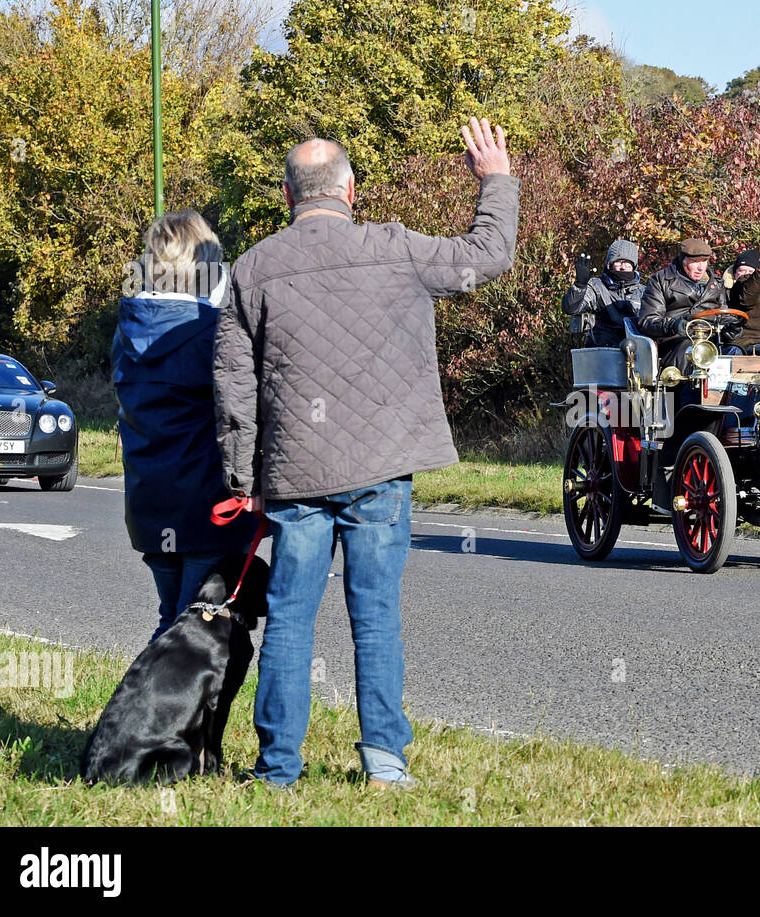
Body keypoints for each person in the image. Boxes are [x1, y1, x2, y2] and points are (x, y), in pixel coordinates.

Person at [213, 119, 519, 790]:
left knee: (290, 617)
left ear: (288, 197)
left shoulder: (251, 269)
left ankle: (277, 770)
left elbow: (234, 386)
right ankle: (384, 760)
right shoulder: (395, 247)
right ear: (351, 189)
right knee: (375, 613)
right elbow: (489, 253)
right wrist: (493, 177)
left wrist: (243, 478)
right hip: (382, 466)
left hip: (294, 472)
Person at [111, 210, 257, 643]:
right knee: (195, 631)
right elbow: (237, 412)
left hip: (149, 502)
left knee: (172, 620)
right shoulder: (212, 332)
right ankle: (162, 711)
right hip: (205, 505)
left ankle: (145, 707)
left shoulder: (126, 333)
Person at [637, 237, 735, 371]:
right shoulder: (662, 280)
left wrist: (732, 326)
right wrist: (673, 325)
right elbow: (648, 320)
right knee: (692, 352)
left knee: (735, 352)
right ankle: (688, 392)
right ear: (683, 260)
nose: (701, 268)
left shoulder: (716, 283)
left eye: (704, 261)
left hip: (711, 340)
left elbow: (723, 313)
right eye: (695, 262)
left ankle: (732, 392)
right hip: (676, 342)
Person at [561, 239, 645, 347]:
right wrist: (580, 286)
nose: (623, 267)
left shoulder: (644, 292)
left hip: (638, 353)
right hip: (603, 354)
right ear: (609, 264)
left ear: (634, 266)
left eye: (628, 263)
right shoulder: (597, 287)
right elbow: (570, 308)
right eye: (618, 262)